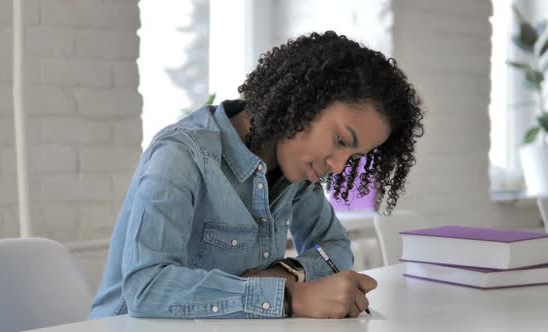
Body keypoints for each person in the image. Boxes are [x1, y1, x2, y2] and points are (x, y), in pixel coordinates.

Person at [89, 31, 424, 320]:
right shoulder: (182, 154)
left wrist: (283, 273)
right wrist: (292, 297)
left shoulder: (297, 175)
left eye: (353, 156)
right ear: (303, 100)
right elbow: (146, 287)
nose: (337, 166)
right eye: (340, 141)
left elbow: (334, 246)